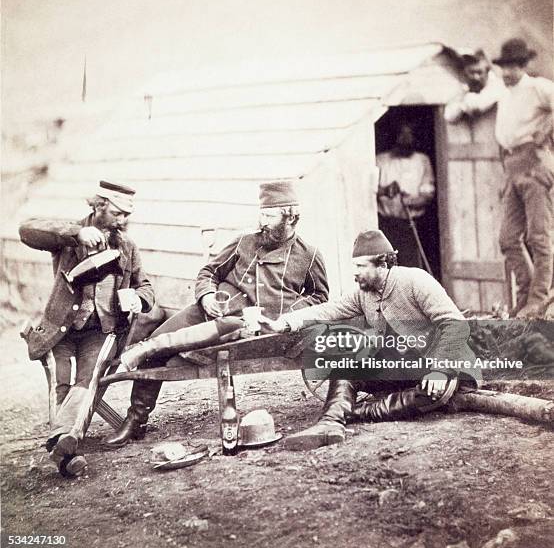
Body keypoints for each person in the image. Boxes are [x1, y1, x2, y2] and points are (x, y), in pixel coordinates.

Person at [104, 180, 329, 447]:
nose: (263, 221)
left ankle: (137, 397)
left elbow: (320, 299)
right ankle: (136, 420)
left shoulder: (309, 255)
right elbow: (209, 272)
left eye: (269, 215)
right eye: (262, 214)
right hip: (210, 310)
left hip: (248, 326)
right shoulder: (245, 242)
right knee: (159, 338)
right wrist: (207, 295)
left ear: (290, 217)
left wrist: (283, 316)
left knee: (164, 345)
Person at [262, 230, 481, 451]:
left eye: (360, 266)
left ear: (382, 265)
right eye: (354, 266)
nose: (354, 273)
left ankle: (353, 413)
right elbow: (330, 309)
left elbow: (455, 324)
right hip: (405, 365)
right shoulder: (363, 294)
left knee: (434, 394)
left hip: (446, 363)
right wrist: (286, 322)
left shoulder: (416, 280)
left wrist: (440, 370)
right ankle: (329, 424)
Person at [19, 180, 155, 477]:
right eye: (118, 213)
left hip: (103, 331)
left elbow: (146, 287)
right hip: (60, 330)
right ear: (99, 206)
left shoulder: (127, 245)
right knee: (61, 380)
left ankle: (63, 448)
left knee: (89, 377)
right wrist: (76, 233)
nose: (124, 220)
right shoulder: (69, 236)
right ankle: (68, 452)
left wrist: (137, 298)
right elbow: (26, 230)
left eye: (127, 215)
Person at [493, 38, 554, 317]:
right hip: (512, 165)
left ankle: (538, 299)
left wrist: (545, 133)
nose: (506, 72)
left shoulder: (537, 87)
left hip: (534, 162)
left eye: (512, 67)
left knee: (539, 237)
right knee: (508, 238)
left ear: (522, 66)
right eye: (503, 67)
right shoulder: (505, 95)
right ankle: (526, 292)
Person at [376, 124, 435, 268]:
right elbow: (367, 190)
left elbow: (428, 194)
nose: (406, 139)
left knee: (412, 267)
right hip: (386, 225)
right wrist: (385, 190)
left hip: (412, 225)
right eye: (402, 134)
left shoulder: (422, 160)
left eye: (410, 135)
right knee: (388, 269)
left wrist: (411, 201)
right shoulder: (381, 160)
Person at [444, 49, 505, 124]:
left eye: (480, 72)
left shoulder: (497, 85)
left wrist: (462, 104)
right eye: (472, 72)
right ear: (465, 73)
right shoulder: (465, 88)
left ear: (487, 71)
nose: (476, 77)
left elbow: (478, 106)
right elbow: (449, 116)